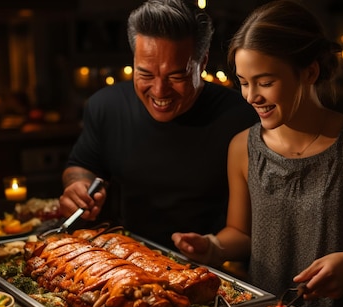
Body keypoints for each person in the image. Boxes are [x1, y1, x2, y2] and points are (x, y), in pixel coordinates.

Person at [171, 0, 343, 307]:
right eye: (244, 82)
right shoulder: (242, 148)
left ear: (310, 72)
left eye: (264, 82)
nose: (250, 96)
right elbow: (243, 233)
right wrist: (211, 246)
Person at [59, 0, 258, 250]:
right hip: (127, 253)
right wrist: (78, 186)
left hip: (214, 263)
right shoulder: (106, 106)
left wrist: (212, 249)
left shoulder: (241, 117)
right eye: (145, 74)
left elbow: (254, 227)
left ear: (202, 62)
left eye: (176, 76)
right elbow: (83, 164)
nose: (159, 91)